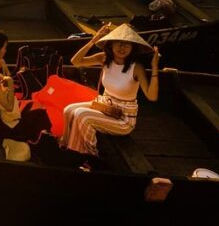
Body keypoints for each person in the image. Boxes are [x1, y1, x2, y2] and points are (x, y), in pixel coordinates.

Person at [60, 23, 160, 160]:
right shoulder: (105, 58)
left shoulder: (136, 68)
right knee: (68, 110)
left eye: (127, 44)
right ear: (111, 45)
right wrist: (94, 40)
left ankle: (89, 156)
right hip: (104, 105)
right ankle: (67, 146)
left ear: (132, 48)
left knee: (82, 115)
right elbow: (76, 61)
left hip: (123, 118)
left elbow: (152, 97)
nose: (122, 48)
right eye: (118, 43)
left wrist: (154, 67)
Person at [0, 28, 52, 153]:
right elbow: (8, 107)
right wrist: (11, 84)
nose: (6, 50)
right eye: (4, 48)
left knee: (29, 106)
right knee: (37, 113)